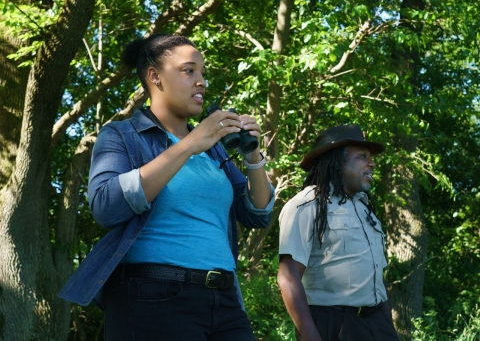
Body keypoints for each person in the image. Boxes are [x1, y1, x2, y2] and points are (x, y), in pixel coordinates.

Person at [58, 34, 275, 341]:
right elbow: (106, 206)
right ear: (154, 76)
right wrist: (188, 145)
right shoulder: (122, 135)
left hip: (224, 301)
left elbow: (257, 214)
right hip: (153, 298)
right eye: (189, 70)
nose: (201, 81)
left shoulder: (215, 149)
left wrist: (254, 158)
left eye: (202, 73)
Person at [277, 124, 400, 341]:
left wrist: (386, 326)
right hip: (334, 325)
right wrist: (310, 337)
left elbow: (376, 278)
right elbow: (288, 277)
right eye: (362, 156)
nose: (372, 163)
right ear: (336, 161)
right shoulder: (307, 205)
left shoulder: (364, 208)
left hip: (375, 325)